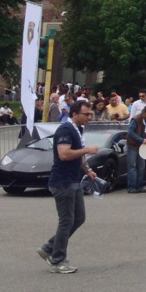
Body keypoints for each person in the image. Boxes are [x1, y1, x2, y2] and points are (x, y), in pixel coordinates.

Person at [37, 99, 99, 274]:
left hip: (73, 180)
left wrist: (88, 170)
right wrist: (87, 150)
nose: (89, 117)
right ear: (74, 114)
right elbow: (64, 154)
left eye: (90, 114)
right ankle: (58, 260)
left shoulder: (77, 129)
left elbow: (77, 157)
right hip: (62, 182)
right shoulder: (65, 129)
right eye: (86, 114)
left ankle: (49, 247)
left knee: (79, 218)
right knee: (66, 221)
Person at [125, 104, 146, 193]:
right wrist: (141, 139)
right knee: (132, 166)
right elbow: (130, 132)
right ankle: (131, 187)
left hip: (141, 145)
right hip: (133, 145)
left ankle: (140, 186)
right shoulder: (136, 119)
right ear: (145, 112)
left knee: (141, 166)